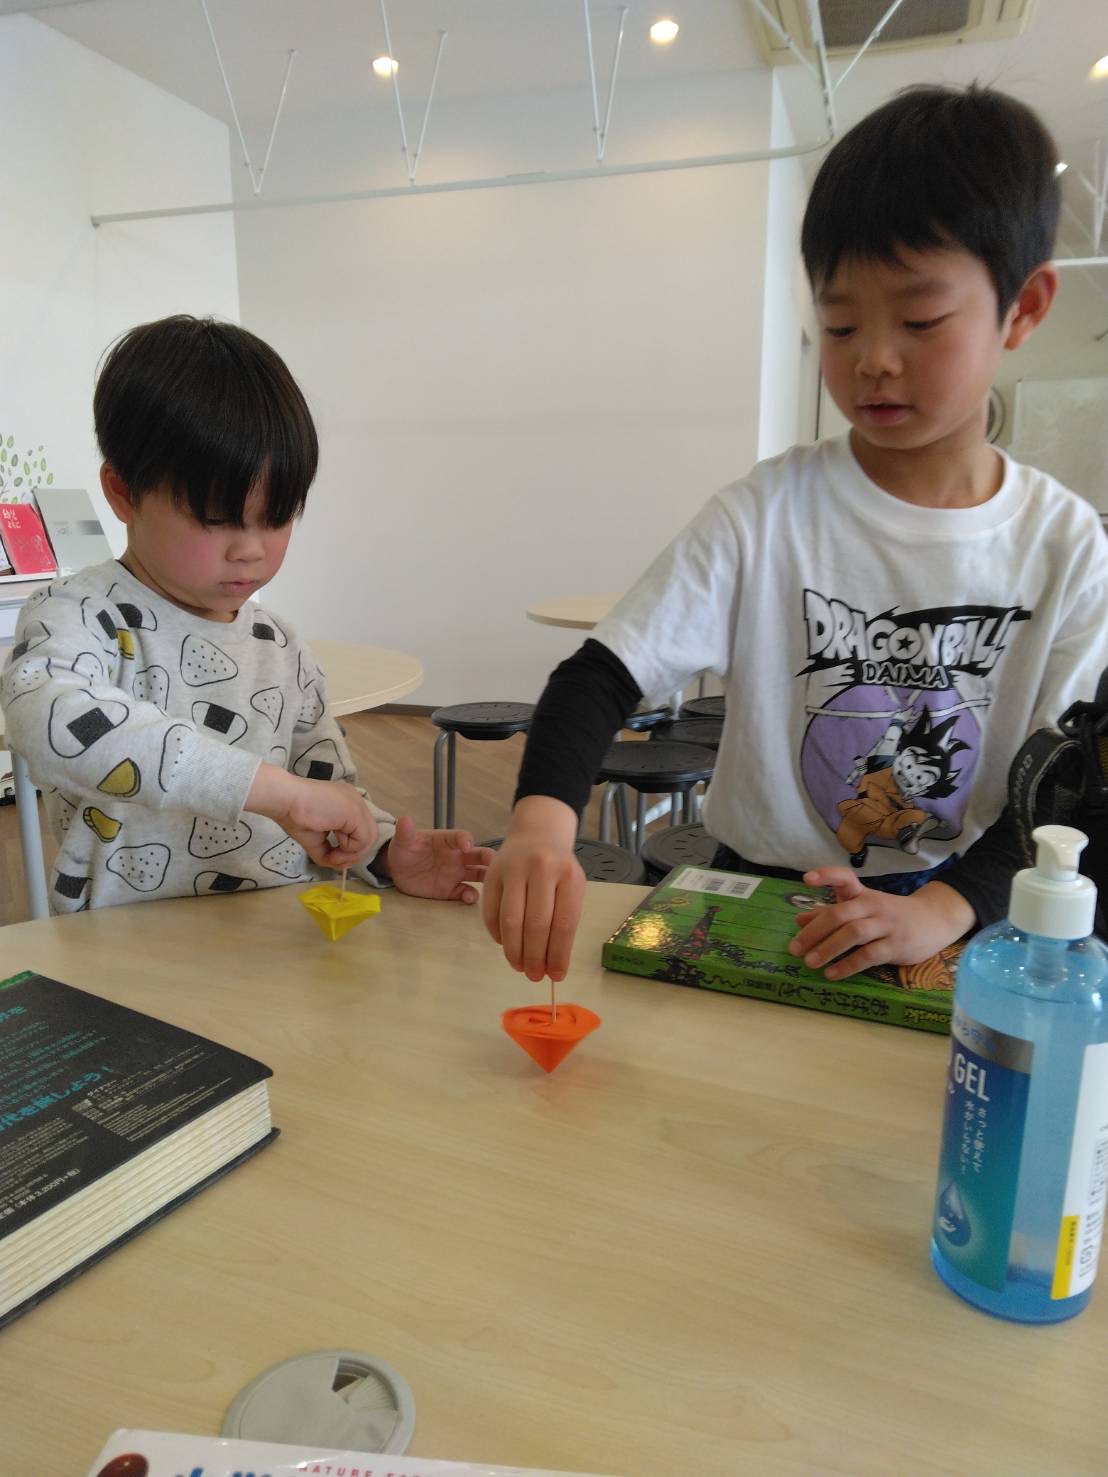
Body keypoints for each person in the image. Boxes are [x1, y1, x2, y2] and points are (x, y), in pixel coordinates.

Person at [482, 84, 1108, 986]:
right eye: (840, 323)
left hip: (957, 907)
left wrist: (940, 908)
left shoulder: (1065, 546)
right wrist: (543, 817)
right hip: (756, 887)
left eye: (920, 320)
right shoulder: (766, 511)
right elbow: (600, 675)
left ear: (1024, 308)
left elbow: (1065, 788)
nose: (873, 359)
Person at [0, 315, 492, 912]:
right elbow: (51, 721)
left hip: (277, 930)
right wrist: (271, 791)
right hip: (122, 942)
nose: (251, 549)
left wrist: (381, 849)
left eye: (277, 517)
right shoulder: (80, 614)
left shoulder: (278, 643)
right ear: (124, 492)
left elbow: (323, 789)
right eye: (217, 518)